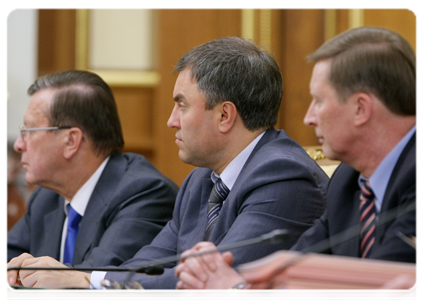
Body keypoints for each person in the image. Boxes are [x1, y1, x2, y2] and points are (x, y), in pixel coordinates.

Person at [5, 37, 328, 293]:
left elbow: (217, 281)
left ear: (225, 116)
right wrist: (92, 280)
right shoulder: (201, 180)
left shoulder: (284, 177)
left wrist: (85, 281)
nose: (171, 122)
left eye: (182, 106)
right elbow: (148, 264)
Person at [174, 26, 420, 298]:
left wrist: (235, 290)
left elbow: (382, 286)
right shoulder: (348, 180)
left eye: (318, 101)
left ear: (360, 109)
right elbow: (296, 268)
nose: (308, 118)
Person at [5, 70, 179, 274]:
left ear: (71, 141)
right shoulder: (47, 198)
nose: (18, 145)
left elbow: (97, 278)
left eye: (28, 132)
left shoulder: (144, 194)